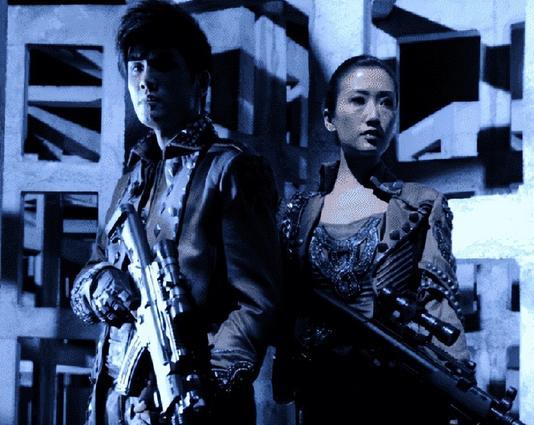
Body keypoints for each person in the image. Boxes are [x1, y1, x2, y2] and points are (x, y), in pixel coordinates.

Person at [70, 1, 281, 424]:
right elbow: (94, 265)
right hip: (116, 403)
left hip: (191, 405)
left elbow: (257, 304)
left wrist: (196, 390)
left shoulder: (231, 169)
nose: (146, 80)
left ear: (199, 81)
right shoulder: (132, 175)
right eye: (136, 67)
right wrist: (99, 284)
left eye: (163, 65)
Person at [274, 55, 469, 425]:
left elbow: (441, 310)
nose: (374, 115)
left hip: (396, 402)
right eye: (358, 100)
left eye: (386, 102)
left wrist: (461, 389)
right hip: (318, 403)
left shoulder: (422, 204)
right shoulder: (295, 214)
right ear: (329, 117)